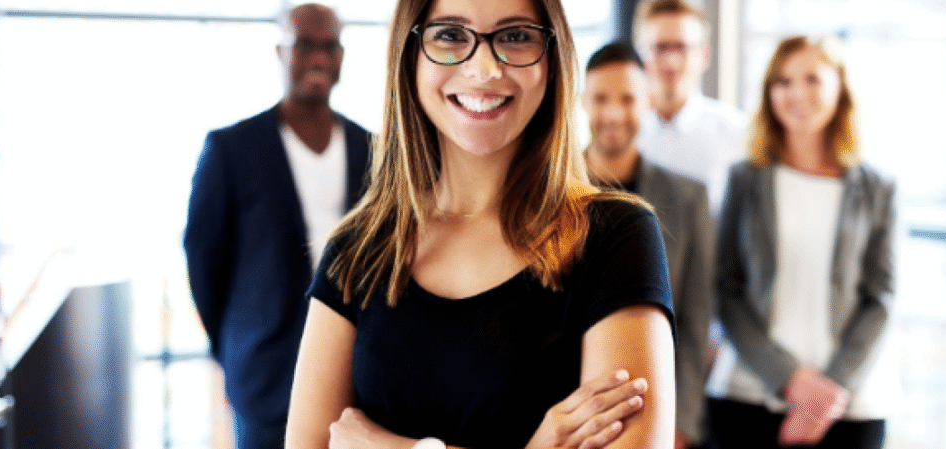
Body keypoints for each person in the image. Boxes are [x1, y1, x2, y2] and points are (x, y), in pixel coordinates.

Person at [285, 0, 677, 448]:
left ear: (553, 57)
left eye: (515, 36)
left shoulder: (614, 236)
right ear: (409, 54)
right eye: (451, 35)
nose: (485, 67)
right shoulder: (359, 251)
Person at [183, 4, 373, 448]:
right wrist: (234, 348)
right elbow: (203, 262)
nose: (319, 59)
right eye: (305, 45)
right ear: (280, 51)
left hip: (358, 375)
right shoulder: (232, 148)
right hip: (265, 374)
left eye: (331, 47)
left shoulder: (374, 149)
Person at [705, 35, 897, 449]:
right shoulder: (746, 178)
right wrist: (790, 380)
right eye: (783, 81)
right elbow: (726, 287)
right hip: (747, 394)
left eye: (812, 79)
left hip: (847, 406)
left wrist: (828, 390)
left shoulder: (878, 187)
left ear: (840, 87)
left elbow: (881, 297)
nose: (796, 94)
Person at [580, 41, 714, 449]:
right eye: (601, 98)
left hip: (651, 418)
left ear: (650, 101)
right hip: (565, 414)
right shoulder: (546, 192)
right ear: (582, 101)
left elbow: (694, 324)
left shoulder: (688, 198)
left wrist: (681, 424)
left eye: (628, 99)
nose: (614, 114)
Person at [632, 0, 746, 211]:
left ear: (704, 56)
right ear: (641, 55)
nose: (670, 62)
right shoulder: (626, 134)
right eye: (660, 47)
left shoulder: (738, 134)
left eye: (681, 48)